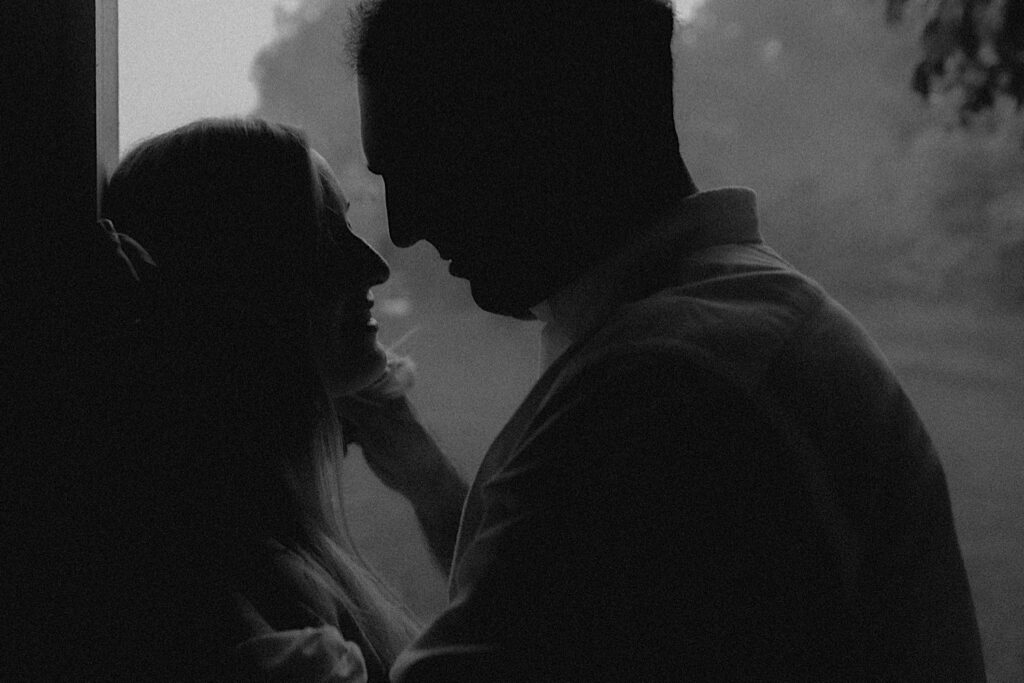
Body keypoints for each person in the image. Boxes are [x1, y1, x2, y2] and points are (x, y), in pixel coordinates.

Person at [348, 0, 988, 679]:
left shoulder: (665, 393)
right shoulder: (740, 333)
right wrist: (425, 477)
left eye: (424, 159)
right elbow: (560, 613)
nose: (404, 223)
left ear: (551, 116)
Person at [84, 117, 465, 680]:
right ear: (247, 284)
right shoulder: (259, 601)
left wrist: (432, 485)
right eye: (327, 236)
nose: (376, 266)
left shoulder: (248, 553)